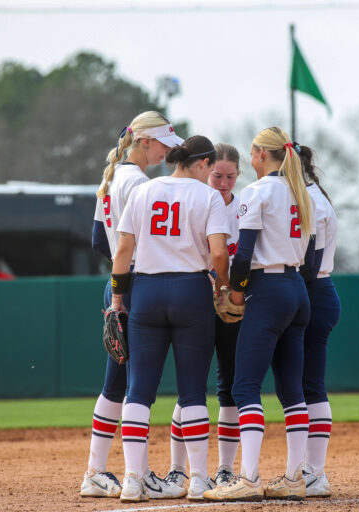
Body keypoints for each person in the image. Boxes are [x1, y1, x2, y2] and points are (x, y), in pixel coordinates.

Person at [109, 135, 231, 502]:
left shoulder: (144, 191)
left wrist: (118, 299)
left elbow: (124, 251)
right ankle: (197, 479)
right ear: (205, 164)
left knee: (138, 391)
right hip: (191, 291)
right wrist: (224, 287)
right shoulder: (207, 195)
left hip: (145, 291)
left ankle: (133, 479)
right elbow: (220, 253)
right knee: (192, 390)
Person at [80, 111, 187, 500]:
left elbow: (97, 241)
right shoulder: (139, 182)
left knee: (117, 383)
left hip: (116, 283)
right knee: (138, 385)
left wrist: (117, 281)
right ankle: (134, 475)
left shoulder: (111, 179)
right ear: (145, 142)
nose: (167, 151)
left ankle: (96, 471)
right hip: (136, 283)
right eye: (163, 144)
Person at [204, 126, 313, 502]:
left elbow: (245, 256)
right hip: (297, 289)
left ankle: (248, 478)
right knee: (291, 390)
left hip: (267, 291)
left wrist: (234, 292)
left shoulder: (257, 192)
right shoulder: (300, 192)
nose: (249, 159)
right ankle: (296, 478)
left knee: (244, 387)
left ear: (259, 154)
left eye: (252, 153)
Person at [167, 143, 242, 490]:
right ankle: (177, 470)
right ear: (206, 170)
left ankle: (226, 469)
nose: (223, 182)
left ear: (238, 175)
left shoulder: (244, 207)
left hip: (229, 305)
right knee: (191, 387)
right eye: (217, 175)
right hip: (196, 300)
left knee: (229, 386)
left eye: (230, 176)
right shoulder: (194, 200)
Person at [298, 144, 340, 497]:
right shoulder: (314, 195)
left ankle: (313, 472)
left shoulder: (308, 200)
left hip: (311, 291)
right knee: (308, 384)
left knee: (307, 385)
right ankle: (312, 471)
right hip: (320, 292)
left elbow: (308, 265)